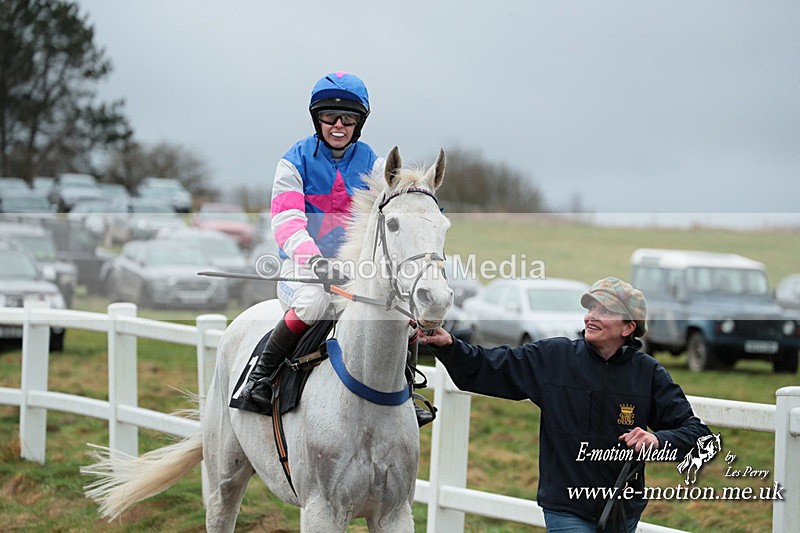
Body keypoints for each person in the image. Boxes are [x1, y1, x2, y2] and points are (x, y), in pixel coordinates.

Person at [419, 277, 711, 532]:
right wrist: (450, 346)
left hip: (622, 510)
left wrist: (657, 439)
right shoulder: (554, 357)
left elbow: (697, 435)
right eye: (590, 308)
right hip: (565, 507)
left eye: (604, 310)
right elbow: (492, 367)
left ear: (628, 327)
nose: (590, 317)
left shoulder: (648, 374)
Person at [241, 72, 435, 426]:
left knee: (397, 310)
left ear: (360, 122)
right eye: (330, 116)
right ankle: (261, 377)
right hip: (302, 271)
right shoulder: (292, 161)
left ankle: (407, 387)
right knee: (315, 302)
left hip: (353, 272)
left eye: (349, 118)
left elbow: (397, 211)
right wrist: (314, 262)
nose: (339, 125)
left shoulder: (376, 164)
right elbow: (286, 221)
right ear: (317, 118)